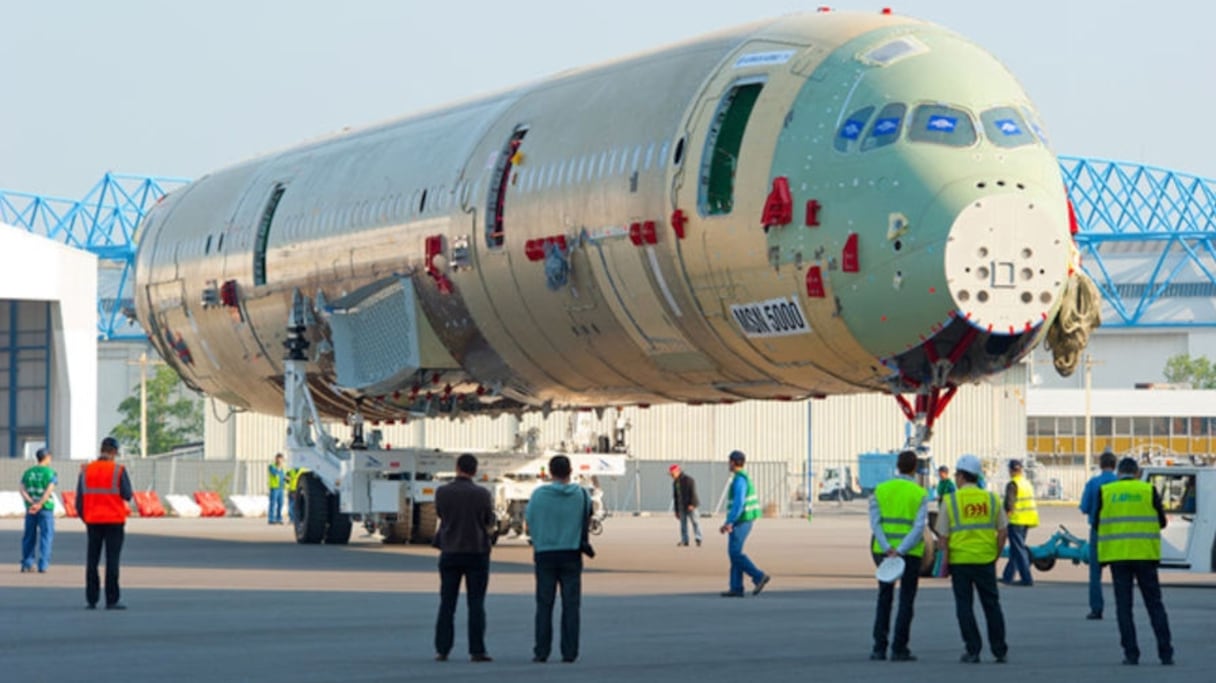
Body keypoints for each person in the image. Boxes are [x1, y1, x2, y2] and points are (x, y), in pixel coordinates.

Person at [1096, 457, 1173, 666]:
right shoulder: (1148, 490)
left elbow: (1096, 524)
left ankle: (1131, 654)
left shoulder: (1106, 492)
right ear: (1137, 472)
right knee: (1154, 605)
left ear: (1119, 472)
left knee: (1124, 607)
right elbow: (1162, 522)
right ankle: (1165, 653)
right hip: (1145, 556)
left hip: (1118, 557)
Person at [936, 454, 1008, 663]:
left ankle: (973, 649)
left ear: (960, 476)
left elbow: (943, 537)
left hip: (960, 562)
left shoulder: (951, 501)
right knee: (992, 605)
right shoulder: (992, 499)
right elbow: (1003, 531)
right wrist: (994, 554)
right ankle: (999, 648)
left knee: (964, 606)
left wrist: (944, 564)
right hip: (985, 560)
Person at [525, 454, 591, 663]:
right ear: (570, 472)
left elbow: (529, 520)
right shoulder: (582, 494)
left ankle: (541, 650)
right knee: (571, 605)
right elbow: (587, 518)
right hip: (571, 552)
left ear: (550, 472)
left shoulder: (538, 495)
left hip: (545, 553)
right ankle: (570, 651)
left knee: (544, 605)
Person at [433, 453, 495, 663]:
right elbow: (488, 519)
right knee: (476, 603)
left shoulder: (442, 492)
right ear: (475, 471)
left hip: (450, 551)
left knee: (447, 603)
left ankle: (442, 649)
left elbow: (441, 514)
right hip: (477, 552)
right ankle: (477, 650)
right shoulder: (482, 494)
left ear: (457, 468)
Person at [868, 450, 929, 662]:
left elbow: (875, 523)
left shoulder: (880, 490)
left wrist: (887, 548)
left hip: (883, 552)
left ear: (898, 466)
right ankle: (899, 647)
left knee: (884, 599)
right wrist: (901, 549)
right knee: (906, 600)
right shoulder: (919, 493)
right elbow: (919, 527)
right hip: (910, 553)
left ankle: (879, 647)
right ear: (915, 468)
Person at [77, 436, 134, 609]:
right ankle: (112, 599)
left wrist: (85, 517)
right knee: (112, 560)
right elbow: (127, 494)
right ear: (115, 451)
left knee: (92, 560)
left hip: (93, 521)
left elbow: (79, 500)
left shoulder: (86, 470)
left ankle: (92, 599)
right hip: (114, 521)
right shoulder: (118, 470)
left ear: (101, 449)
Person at [719, 450, 771, 597]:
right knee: (734, 553)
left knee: (735, 553)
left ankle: (758, 576)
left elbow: (738, 504)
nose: (728, 464)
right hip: (743, 519)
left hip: (742, 520)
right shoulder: (741, 478)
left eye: (729, 461)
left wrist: (729, 522)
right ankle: (736, 587)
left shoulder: (739, 480)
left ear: (734, 462)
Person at [1079, 449, 1118, 619]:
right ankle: (1122, 607)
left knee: (1095, 574)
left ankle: (1096, 608)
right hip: (1118, 532)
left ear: (1101, 465)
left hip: (1098, 530)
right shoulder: (1119, 483)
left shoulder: (1093, 483)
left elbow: (1084, 507)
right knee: (1119, 573)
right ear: (1115, 465)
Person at [1000, 459, 1038, 587]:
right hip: (1027, 520)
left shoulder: (1013, 484)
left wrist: (1003, 521)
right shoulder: (1026, 483)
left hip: (1016, 520)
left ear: (1011, 470)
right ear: (1021, 470)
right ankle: (1007, 576)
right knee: (1015, 550)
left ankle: (1027, 578)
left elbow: (1009, 505)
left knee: (1019, 550)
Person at [20, 448, 57, 573]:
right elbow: (49, 490)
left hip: (30, 509)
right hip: (45, 508)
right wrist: (40, 503)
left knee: (29, 536)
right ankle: (43, 565)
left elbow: (22, 489)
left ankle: (28, 563)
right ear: (46, 457)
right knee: (46, 536)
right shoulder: (50, 473)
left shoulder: (28, 472)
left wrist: (31, 502)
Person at [669, 464, 702, 547]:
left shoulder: (688, 480)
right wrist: (676, 510)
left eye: (672, 474)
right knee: (683, 524)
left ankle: (698, 538)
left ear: (678, 471)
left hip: (690, 505)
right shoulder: (675, 483)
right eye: (671, 474)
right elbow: (675, 497)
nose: (671, 476)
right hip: (681, 506)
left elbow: (693, 492)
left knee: (695, 522)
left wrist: (692, 504)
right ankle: (685, 540)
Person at [267, 453, 286, 525]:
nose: (280, 460)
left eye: (281, 459)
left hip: (281, 488)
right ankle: (271, 519)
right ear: (276, 459)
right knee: (273, 503)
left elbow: (283, 476)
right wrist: (279, 466)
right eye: (279, 458)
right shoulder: (272, 466)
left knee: (280, 504)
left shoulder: (283, 468)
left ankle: (279, 518)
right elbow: (274, 473)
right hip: (274, 488)